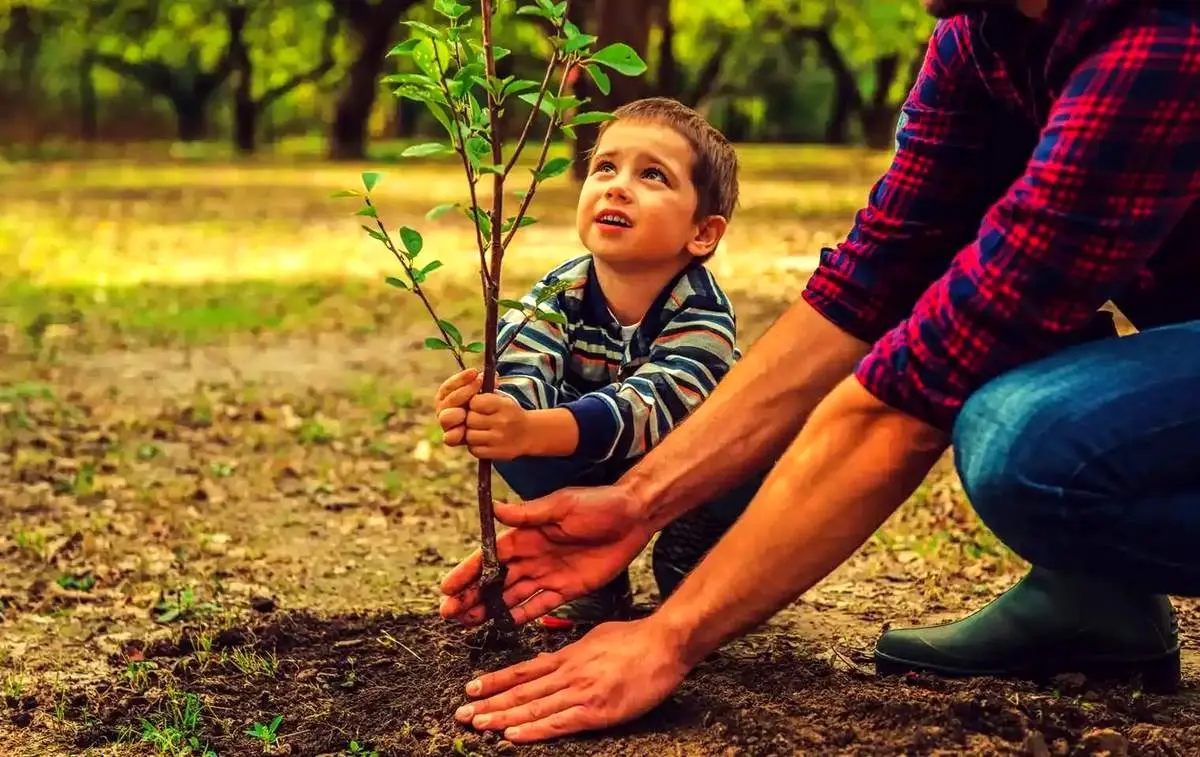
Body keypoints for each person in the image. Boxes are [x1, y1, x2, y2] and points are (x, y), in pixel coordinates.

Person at [435, 0, 1200, 744]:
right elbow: (871, 282)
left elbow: (919, 387)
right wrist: (635, 501)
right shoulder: (981, 40)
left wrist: (669, 634)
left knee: (1027, 442)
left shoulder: (1162, 38)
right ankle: (1095, 596)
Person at [434, 96, 764, 630]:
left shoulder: (702, 311)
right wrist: (494, 411)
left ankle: (702, 542)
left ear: (701, 232)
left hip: (695, 469)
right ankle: (597, 576)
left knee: (752, 463)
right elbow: (523, 360)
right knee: (518, 443)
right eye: (605, 167)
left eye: (652, 175)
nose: (617, 185)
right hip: (597, 459)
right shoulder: (561, 289)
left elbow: (653, 407)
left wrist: (539, 427)